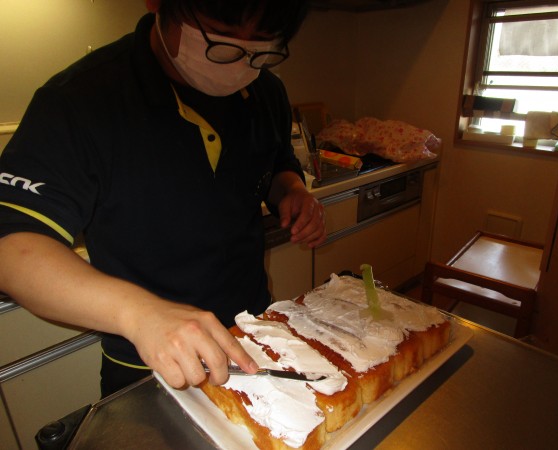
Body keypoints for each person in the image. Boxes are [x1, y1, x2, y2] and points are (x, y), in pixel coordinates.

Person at [0, 0, 325, 397]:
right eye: (221, 41)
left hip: (253, 334)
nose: (240, 65)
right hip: (149, 364)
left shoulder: (266, 92)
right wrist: (139, 314)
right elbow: (12, 247)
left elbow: (276, 164)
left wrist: (292, 191)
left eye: (259, 49)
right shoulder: (80, 101)